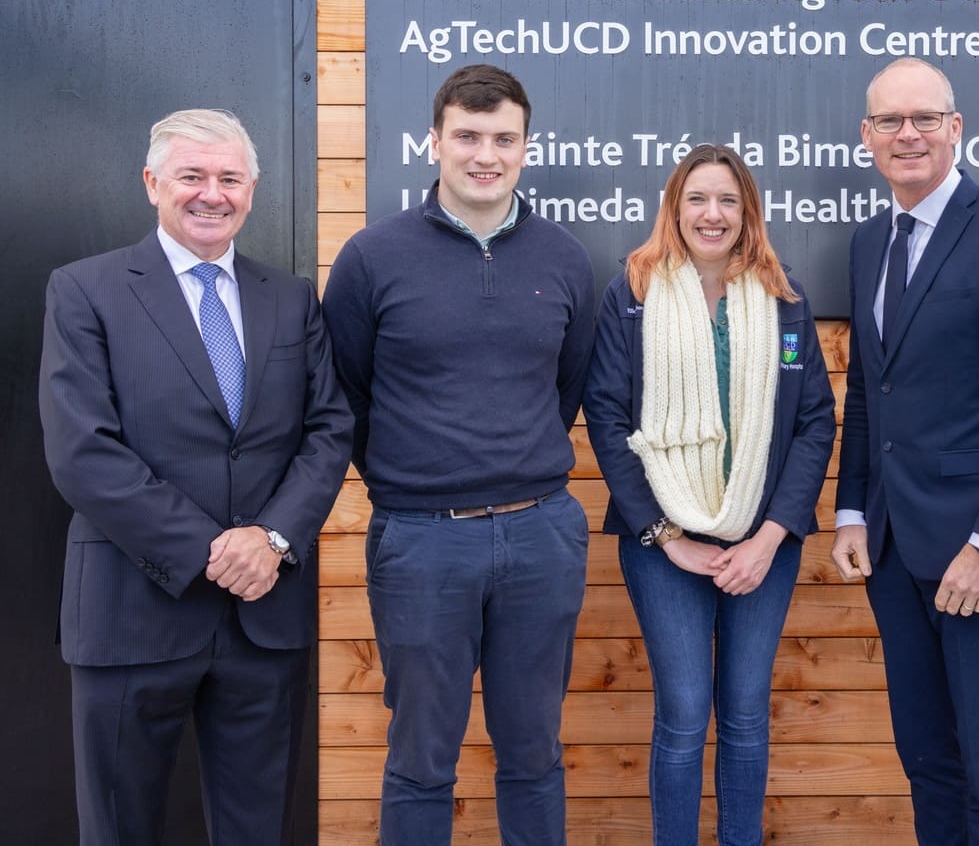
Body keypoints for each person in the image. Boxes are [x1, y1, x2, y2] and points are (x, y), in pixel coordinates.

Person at [38, 109, 354, 845]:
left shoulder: (291, 297)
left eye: (229, 178)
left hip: (263, 620)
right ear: (152, 183)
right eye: (192, 176)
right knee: (119, 830)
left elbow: (329, 427)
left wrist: (270, 539)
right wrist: (213, 550)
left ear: (251, 189)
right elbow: (83, 450)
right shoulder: (86, 291)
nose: (212, 194)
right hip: (131, 611)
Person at [322, 64, 596, 844]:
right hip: (421, 540)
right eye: (468, 136)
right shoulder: (372, 258)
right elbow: (349, 392)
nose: (486, 154)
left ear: (524, 148)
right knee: (419, 759)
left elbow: (565, 388)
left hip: (541, 535)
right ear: (434, 141)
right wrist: (416, 482)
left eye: (503, 139)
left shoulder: (566, 259)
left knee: (534, 752)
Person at [830, 58, 979, 845]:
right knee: (928, 760)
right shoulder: (871, 241)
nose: (908, 135)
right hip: (896, 551)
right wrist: (852, 511)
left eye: (924, 119)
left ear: (955, 128)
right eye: (890, 122)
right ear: (867, 138)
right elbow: (872, 392)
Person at [584, 144, 836, 845]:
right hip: (661, 542)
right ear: (675, 207)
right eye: (698, 198)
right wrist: (669, 538)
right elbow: (605, 415)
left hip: (764, 544)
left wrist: (770, 536)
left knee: (748, 712)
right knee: (686, 712)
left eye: (728, 200)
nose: (713, 213)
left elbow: (814, 420)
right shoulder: (632, 294)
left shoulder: (783, 299)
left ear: (747, 212)